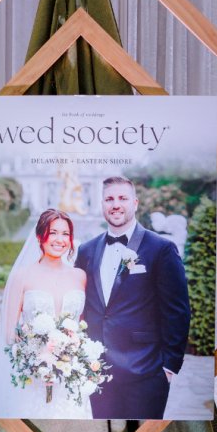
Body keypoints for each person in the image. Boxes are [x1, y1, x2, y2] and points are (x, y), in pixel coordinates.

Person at [75, 176, 190, 419]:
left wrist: (168, 367)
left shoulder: (161, 248)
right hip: (98, 371)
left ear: (135, 203)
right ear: (102, 204)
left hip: (145, 372)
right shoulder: (86, 251)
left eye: (122, 198)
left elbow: (177, 311)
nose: (115, 204)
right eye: (109, 199)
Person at [0, 209, 95, 419]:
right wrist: (38, 361)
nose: (60, 239)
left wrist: (70, 358)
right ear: (40, 236)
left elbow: (82, 328)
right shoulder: (22, 276)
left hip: (71, 377)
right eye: (53, 232)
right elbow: (9, 333)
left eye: (65, 234)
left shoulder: (80, 276)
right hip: (34, 379)